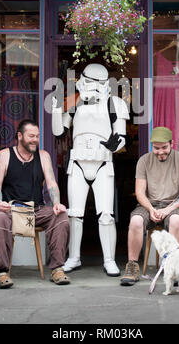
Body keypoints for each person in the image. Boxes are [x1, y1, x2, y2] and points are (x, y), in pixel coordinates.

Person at [52, 63, 129, 276]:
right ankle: (74, 257)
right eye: (91, 82)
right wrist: (57, 109)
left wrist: (115, 144)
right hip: (78, 163)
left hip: (103, 163)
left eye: (99, 83)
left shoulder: (114, 103)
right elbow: (59, 131)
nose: (94, 87)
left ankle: (109, 259)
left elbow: (121, 135)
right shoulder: (75, 103)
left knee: (106, 215)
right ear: (82, 80)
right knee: (74, 214)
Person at [0, 119, 70, 288]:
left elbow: (52, 183)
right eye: (31, 136)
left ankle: (57, 269)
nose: (35, 139)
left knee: (61, 216)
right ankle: (1, 273)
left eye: (37, 136)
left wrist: (56, 203)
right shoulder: (4, 155)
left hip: (37, 209)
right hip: (11, 209)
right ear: (20, 136)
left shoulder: (43, 156)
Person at [120, 126, 179, 286]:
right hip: (150, 205)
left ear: (172, 143)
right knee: (136, 221)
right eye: (156, 148)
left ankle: (173, 268)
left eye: (164, 147)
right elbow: (139, 192)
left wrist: (167, 209)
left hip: (174, 206)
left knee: (175, 221)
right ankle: (132, 266)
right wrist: (150, 209)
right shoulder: (144, 161)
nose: (160, 152)